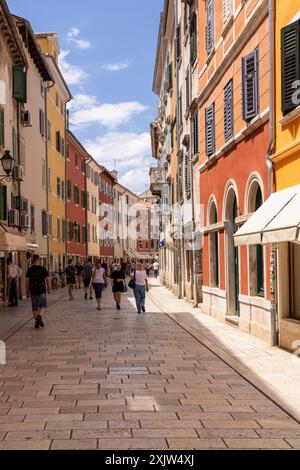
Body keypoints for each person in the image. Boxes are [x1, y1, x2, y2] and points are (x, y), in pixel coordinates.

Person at [26, 255, 51, 329]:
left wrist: (27, 290)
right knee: (43, 305)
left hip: (33, 290)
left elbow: (27, 281)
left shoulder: (29, 269)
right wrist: (49, 288)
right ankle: (39, 317)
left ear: (33, 260)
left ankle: (36, 322)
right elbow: (48, 279)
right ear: (38, 260)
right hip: (41, 290)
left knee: (34, 307)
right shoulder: (42, 269)